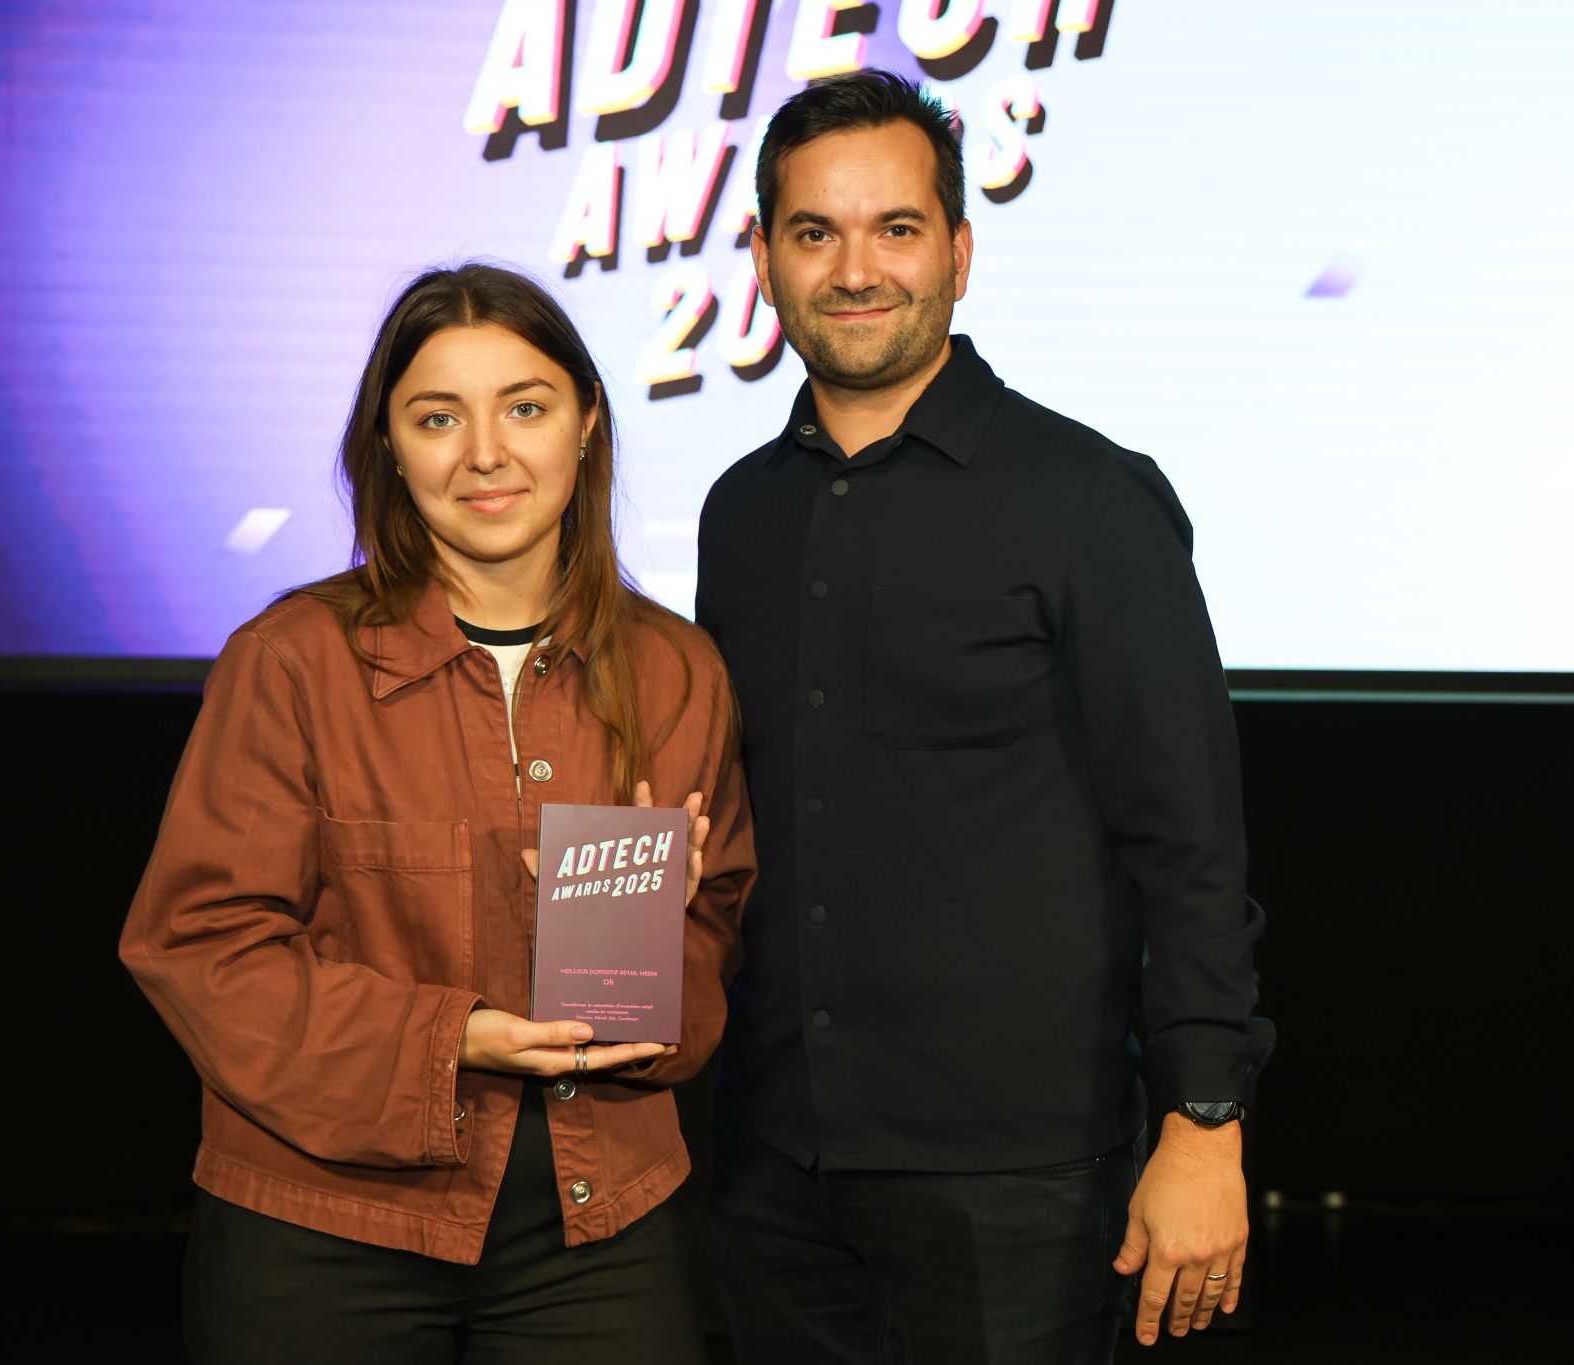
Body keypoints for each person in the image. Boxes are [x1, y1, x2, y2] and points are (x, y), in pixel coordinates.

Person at [694, 71, 1274, 1362]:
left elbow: (1189, 847)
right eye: (814, 232)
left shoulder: (1091, 502)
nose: (856, 269)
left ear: (959, 253)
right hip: (771, 1168)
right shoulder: (737, 514)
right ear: (765, 258)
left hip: (1020, 1188)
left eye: (896, 229)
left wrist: (1204, 1122)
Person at [121, 262, 754, 1364]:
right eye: (435, 417)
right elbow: (199, 948)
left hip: (598, 1220)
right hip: (320, 1220)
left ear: (587, 423)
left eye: (525, 406)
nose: (485, 454)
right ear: (389, 448)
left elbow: (712, 950)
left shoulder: (676, 671)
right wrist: (446, 1039)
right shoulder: (290, 664)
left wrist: (666, 942)